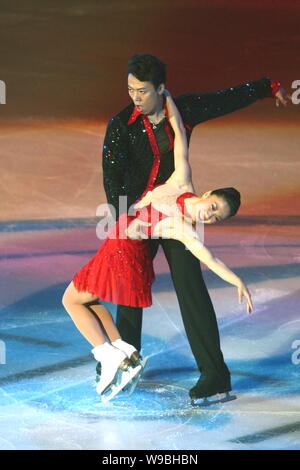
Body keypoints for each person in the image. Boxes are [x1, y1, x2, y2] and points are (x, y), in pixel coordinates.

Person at [77, 54, 291, 402]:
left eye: (143, 91)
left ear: (161, 90)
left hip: (177, 216)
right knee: (127, 290)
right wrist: (122, 222)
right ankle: (123, 360)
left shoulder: (183, 111)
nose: (135, 97)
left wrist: (267, 87)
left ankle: (215, 375)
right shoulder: (121, 124)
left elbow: (223, 99)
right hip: (139, 217)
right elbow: (111, 176)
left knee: (191, 289)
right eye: (131, 89)